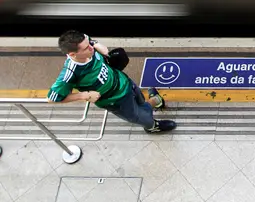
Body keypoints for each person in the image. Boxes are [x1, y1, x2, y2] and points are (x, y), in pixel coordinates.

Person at [47, 30, 176, 134]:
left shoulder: (85, 41)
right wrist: (84, 95)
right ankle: (152, 127)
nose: (91, 48)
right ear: (73, 54)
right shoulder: (70, 74)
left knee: (140, 100)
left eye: (90, 44)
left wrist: (96, 44)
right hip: (116, 101)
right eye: (87, 48)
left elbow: (90, 40)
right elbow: (52, 98)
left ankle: (153, 102)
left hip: (124, 82)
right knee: (139, 116)